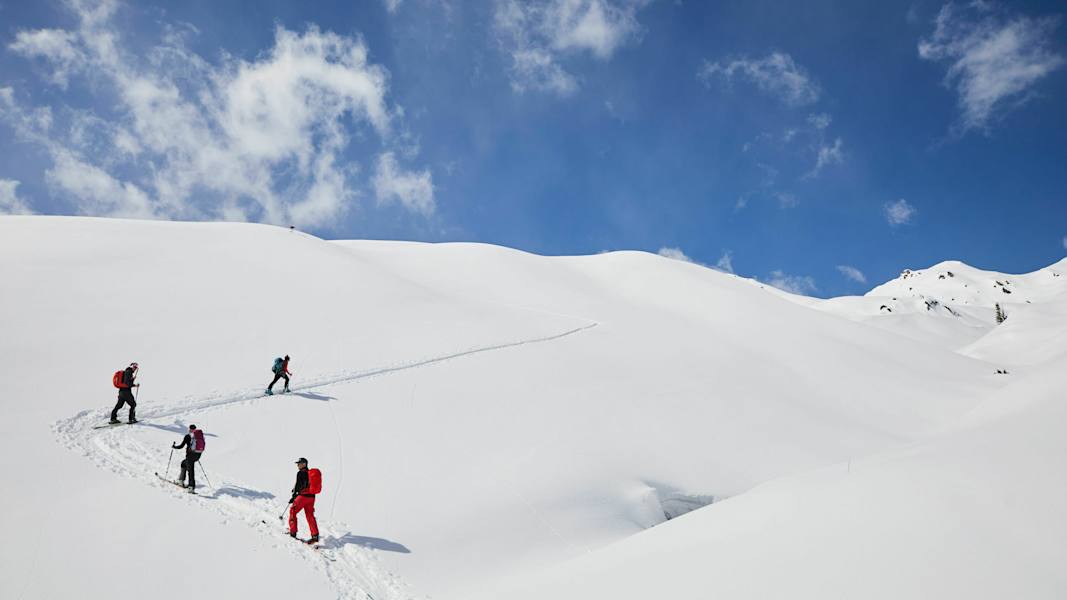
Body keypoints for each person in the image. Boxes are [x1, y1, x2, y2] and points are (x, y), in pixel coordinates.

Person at [289, 457, 321, 543]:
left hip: (303, 497)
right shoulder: (310, 473)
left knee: (293, 511)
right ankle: (315, 535)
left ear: (304, 464)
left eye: (299, 463)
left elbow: (298, 486)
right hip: (312, 497)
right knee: (310, 515)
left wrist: (294, 496)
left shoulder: (300, 473)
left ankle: (293, 532)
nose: (298, 465)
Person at [172, 424, 206, 492]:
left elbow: (181, 446)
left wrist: (174, 446)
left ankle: (191, 487)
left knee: (191, 471)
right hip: (197, 456)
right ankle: (181, 480)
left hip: (190, 456)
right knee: (183, 463)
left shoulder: (188, 436)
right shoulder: (199, 436)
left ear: (189, 429)